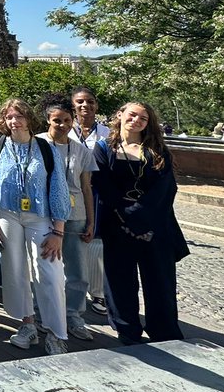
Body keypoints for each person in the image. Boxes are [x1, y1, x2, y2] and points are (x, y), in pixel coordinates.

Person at [0, 98, 70, 356]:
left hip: (39, 217)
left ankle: (56, 333)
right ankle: (27, 324)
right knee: (14, 270)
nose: (14, 121)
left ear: (29, 118)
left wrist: (59, 231)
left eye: (18, 116)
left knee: (49, 272)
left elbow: (58, 188)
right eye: (9, 117)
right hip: (6, 214)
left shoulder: (45, 148)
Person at [92, 101, 187, 345]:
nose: (136, 121)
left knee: (160, 283)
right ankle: (127, 331)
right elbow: (104, 186)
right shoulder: (104, 149)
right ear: (120, 115)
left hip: (155, 226)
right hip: (118, 226)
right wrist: (127, 219)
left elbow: (165, 190)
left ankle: (164, 332)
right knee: (120, 282)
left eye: (143, 118)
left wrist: (141, 221)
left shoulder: (158, 151)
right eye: (132, 115)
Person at [37, 93, 99, 342]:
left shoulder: (81, 151)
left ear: (72, 121)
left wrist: (91, 221)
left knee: (77, 270)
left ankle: (73, 314)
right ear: (48, 121)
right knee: (44, 267)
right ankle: (42, 313)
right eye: (56, 120)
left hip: (75, 215)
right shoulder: (37, 144)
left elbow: (86, 188)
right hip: (43, 213)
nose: (61, 125)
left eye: (66, 120)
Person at [70, 87, 111, 315]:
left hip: (98, 193)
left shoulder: (107, 133)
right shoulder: (65, 129)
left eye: (90, 101)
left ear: (96, 105)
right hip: (71, 192)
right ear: (73, 106)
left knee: (96, 243)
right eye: (80, 102)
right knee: (72, 241)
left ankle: (98, 293)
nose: (85, 105)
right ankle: (73, 289)